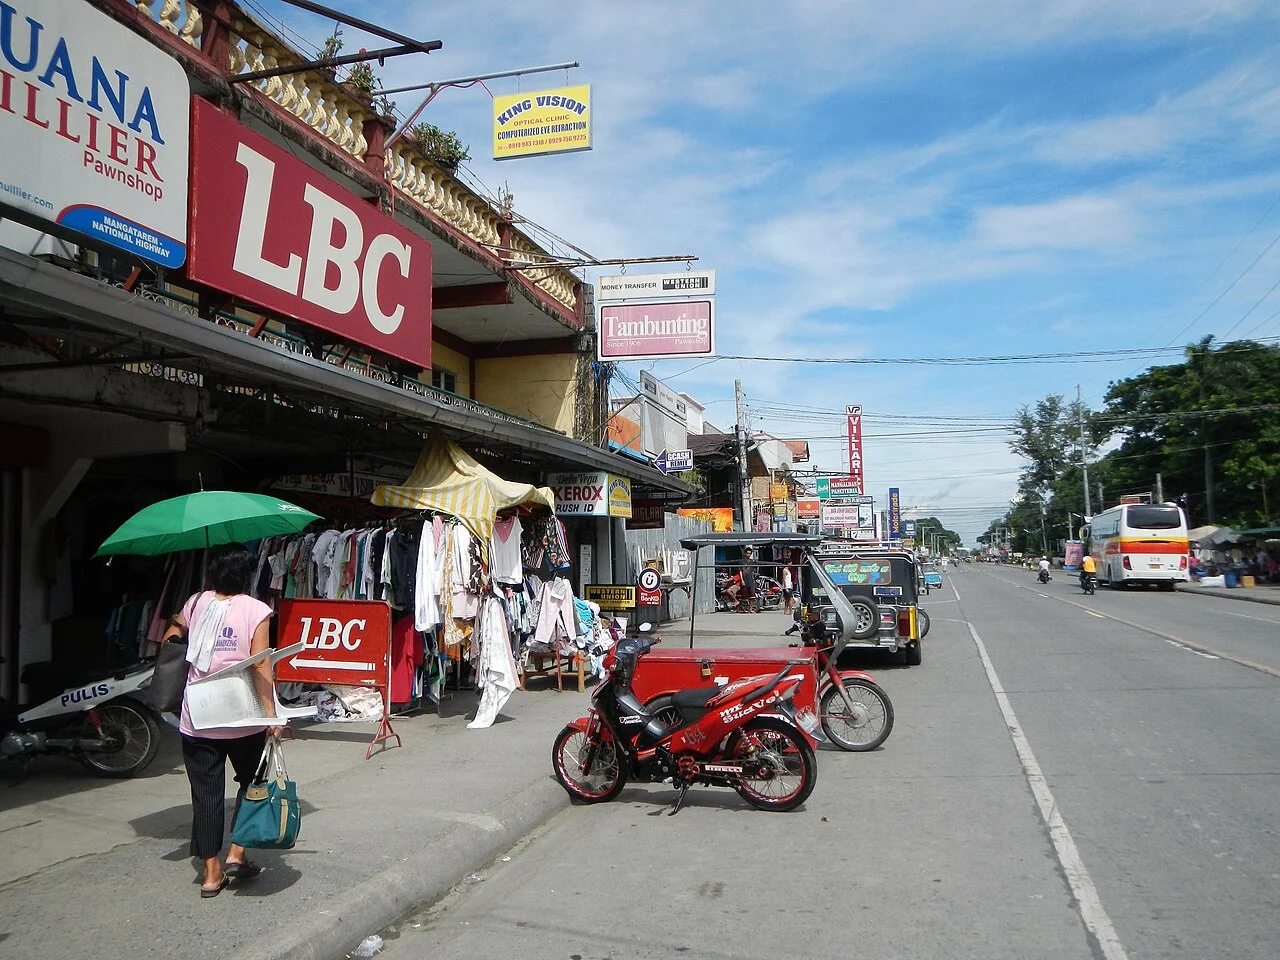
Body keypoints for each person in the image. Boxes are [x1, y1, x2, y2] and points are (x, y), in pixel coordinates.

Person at [161, 544, 282, 898]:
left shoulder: (195, 603)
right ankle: (237, 852)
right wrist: (271, 714)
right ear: (247, 575)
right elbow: (261, 664)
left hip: (198, 716)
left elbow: (172, 634)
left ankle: (212, 875)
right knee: (252, 783)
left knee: (206, 794)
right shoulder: (257, 610)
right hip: (242, 715)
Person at [740, 547, 758, 613]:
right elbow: (740, 571)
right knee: (744, 596)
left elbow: (753, 571)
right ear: (745, 553)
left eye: (750, 553)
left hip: (751, 580)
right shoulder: (742, 562)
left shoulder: (752, 562)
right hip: (745, 579)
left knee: (752, 595)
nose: (748, 555)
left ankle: (750, 609)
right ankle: (739, 607)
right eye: (747, 553)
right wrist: (742, 580)